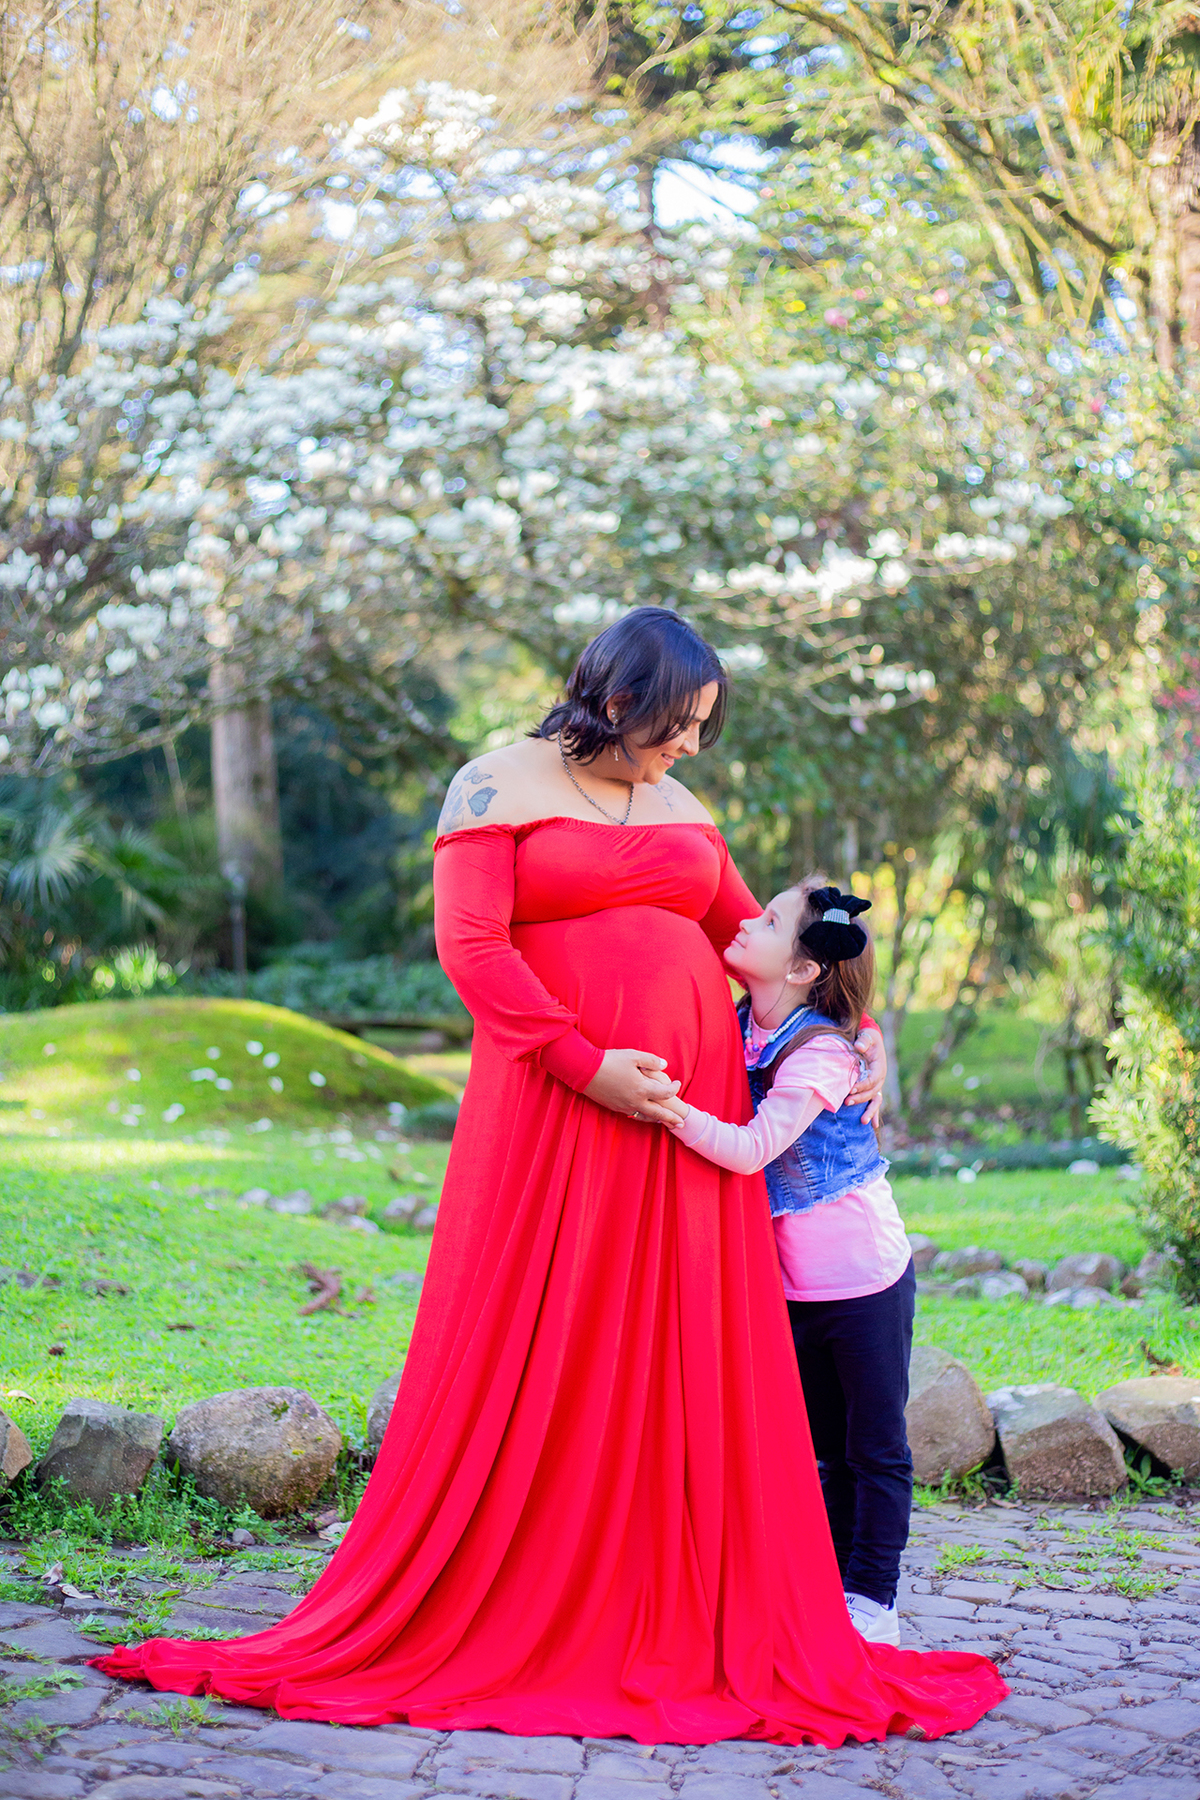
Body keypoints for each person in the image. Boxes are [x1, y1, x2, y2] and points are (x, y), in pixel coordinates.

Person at [94, 607, 1005, 1743]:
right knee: (549, 1327)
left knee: (675, 1345)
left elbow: (771, 936)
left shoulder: (682, 808)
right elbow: (474, 949)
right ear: (620, 701)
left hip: (685, 1129)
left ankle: (668, 1582)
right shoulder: (495, 786)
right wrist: (586, 1065)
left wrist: (850, 1028)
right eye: (682, 725)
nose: (692, 750)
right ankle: (532, 1580)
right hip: (556, 1109)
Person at [662, 876, 916, 1650]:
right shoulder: (742, 1022)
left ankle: (873, 1599)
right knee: (822, 1447)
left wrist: (664, 1107)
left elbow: (752, 1150)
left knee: (874, 1449)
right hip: (791, 1286)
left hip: (864, 1280)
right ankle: (833, 1584)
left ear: (803, 969)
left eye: (768, 919)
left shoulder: (822, 1057)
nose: (745, 918)